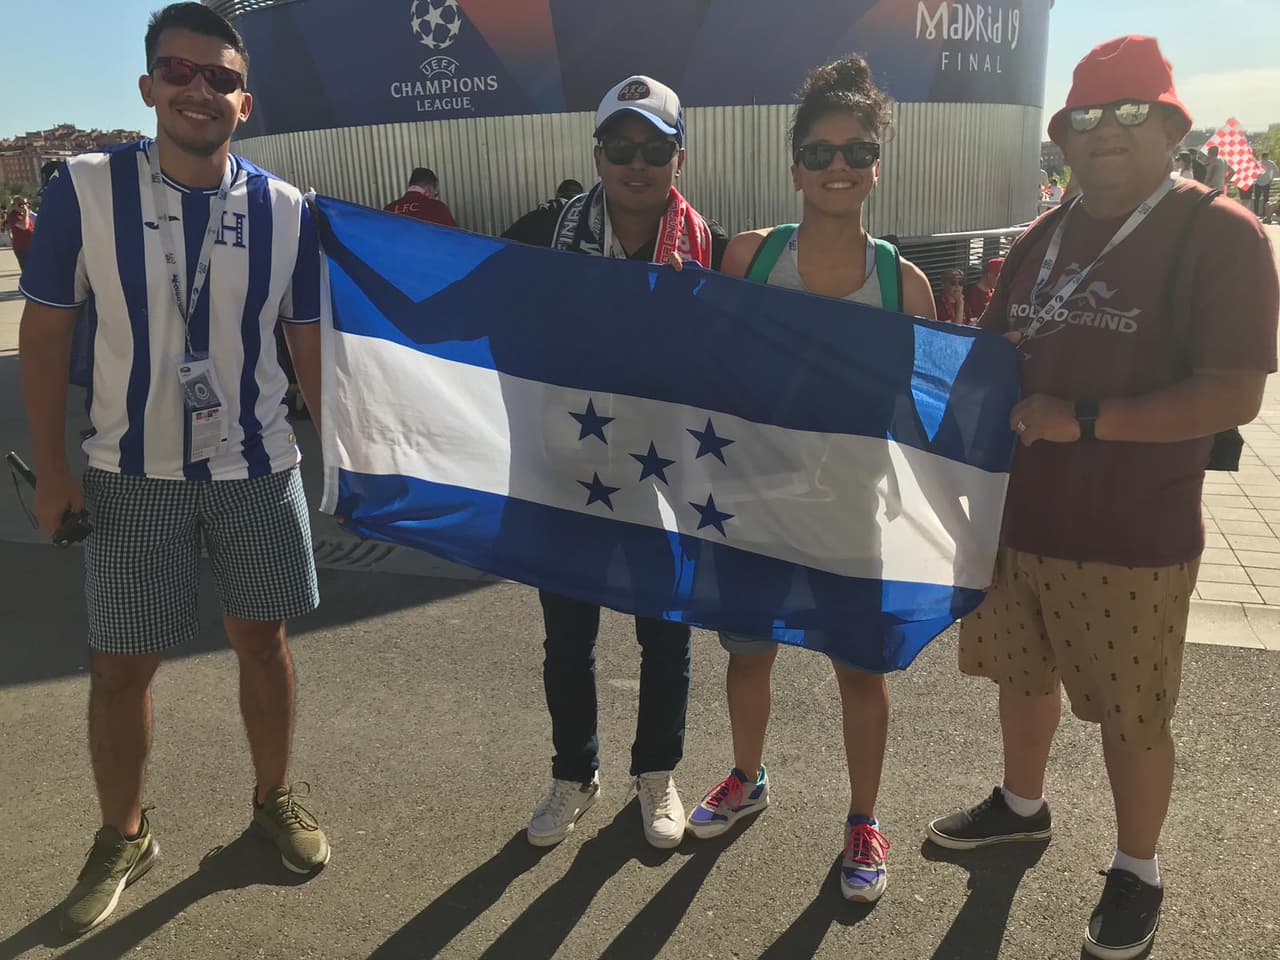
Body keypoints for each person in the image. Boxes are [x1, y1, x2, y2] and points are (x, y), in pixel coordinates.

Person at [924, 35, 1276, 960]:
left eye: (1127, 113)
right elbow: (994, 354)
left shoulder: (1219, 232)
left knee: (1132, 714)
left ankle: (1137, 868)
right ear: (1064, 139)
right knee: (1022, 678)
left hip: (1134, 534)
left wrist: (1085, 419)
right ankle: (1021, 807)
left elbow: (1235, 392)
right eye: (1084, 118)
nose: (1104, 133)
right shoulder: (1046, 231)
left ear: (1169, 124)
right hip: (1021, 518)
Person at [18, 3, 330, 938]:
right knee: (121, 667)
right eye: (180, 71)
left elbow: (307, 340)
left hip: (257, 469)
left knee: (262, 641)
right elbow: (46, 331)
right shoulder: (83, 186)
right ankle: (124, 833)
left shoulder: (287, 209)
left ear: (246, 98)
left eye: (220, 77)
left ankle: (272, 796)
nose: (200, 90)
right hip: (128, 473)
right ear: (149, 85)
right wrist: (51, 470)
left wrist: (349, 460)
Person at [683, 54, 935, 904]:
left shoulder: (906, 283)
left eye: (857, 152)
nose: (839, 168)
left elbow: (923, 420)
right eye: (821, 153)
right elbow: (704, 373)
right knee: (747, 657)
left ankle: (864, 820)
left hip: (849, 516)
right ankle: (746, 776)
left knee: (860, 673)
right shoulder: (750, 256)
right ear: (794, 165)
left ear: (876, 165)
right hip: (751, 507)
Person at [521, 75, 728, 851]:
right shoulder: (548, 231)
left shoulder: (710, 246)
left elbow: (732, 374)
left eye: (652, 149)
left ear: (679, 156)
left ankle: (656, 774)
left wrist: (693, 320)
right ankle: (574, 774)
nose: (634, 164)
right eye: (619, 147)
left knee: (664, 636)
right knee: (567, 640)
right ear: (598, 153)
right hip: (567, 465)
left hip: (664, 469)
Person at [500, 178, 584, 246]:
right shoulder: (587, 219)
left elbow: (505, 239)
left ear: (558, 195)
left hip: (538, 262)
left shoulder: (538, 214)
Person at [384, 167, 457, 226]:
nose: (435, 197)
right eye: (435, 193)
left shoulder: (388, 210)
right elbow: (455, 237)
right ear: (429, 188)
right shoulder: (438, 208)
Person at [964, 256, 1003, 322]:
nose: (1001, 281)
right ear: (989, 275)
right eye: (999, 277)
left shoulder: (994, 293)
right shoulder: (973, 295)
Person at [5, 196, 36, 271]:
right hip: (22, 248)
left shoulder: (23, 215)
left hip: (31, 246)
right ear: (14, 205)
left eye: (26, 204)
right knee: (27, 271)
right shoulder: (13, 215)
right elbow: (24, 226)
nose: (24, 206)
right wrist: (26, 212)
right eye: (20, 204)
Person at [1253, 151, 1276, 219]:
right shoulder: (1271, 163)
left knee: (1256, 198)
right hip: (1267, 183)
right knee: (1266, 199)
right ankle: (1264, 213)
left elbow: (1254, 172)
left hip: (1258, 182)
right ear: (1267, 156)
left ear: (1262, 156)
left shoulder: (1258, 163)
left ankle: (1255, 212)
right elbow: (1274, 172)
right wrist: (1270, 179)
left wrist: (1255, 179)